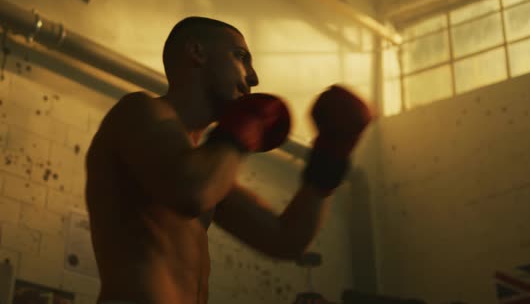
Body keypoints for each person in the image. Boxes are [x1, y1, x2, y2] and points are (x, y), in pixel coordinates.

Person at [85, 16, 373, 304]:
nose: (253, 77)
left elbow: (286, 239)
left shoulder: (202, 166)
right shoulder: (139, 111)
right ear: (197, 52)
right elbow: (191, 193)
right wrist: (244, 127)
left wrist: (329, 158)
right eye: (241, 56)